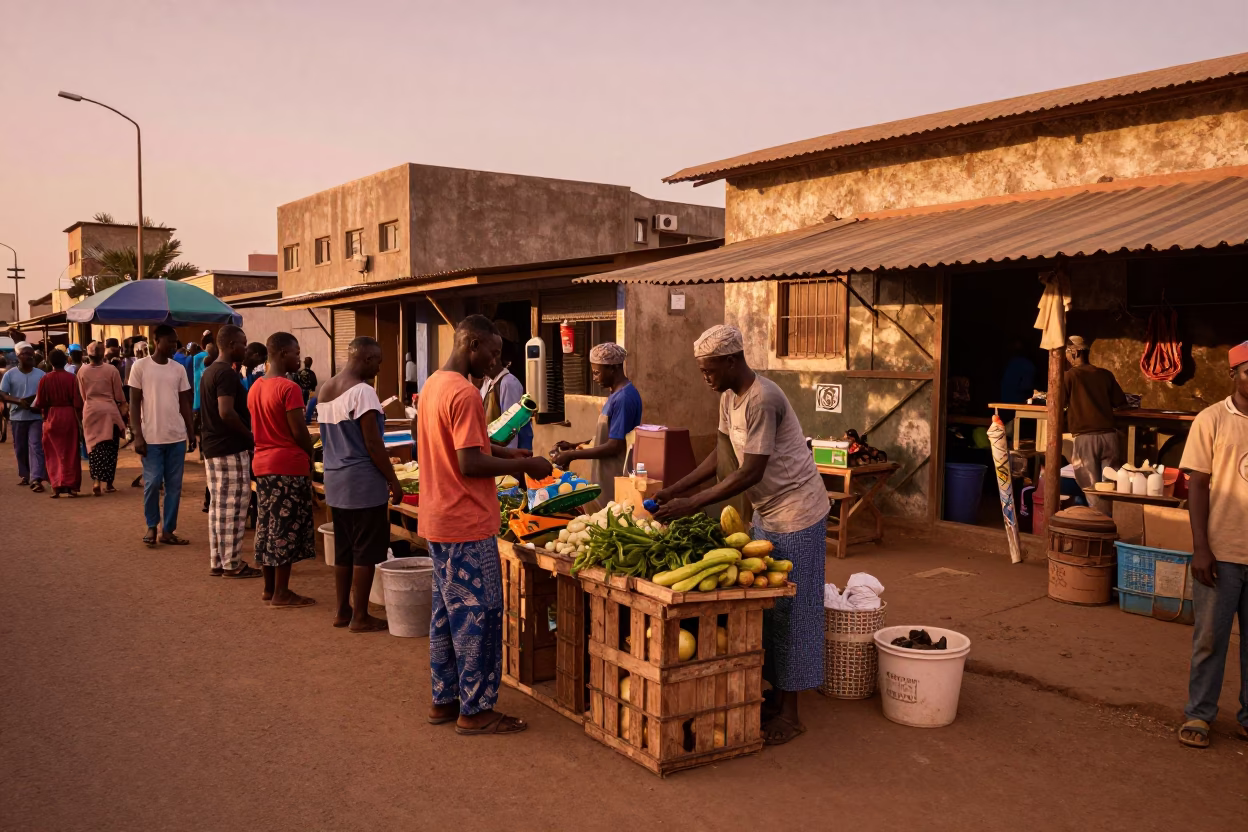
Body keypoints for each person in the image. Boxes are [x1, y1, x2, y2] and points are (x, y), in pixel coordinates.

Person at [653, 325, 830, 746]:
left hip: (799, 511)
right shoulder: (729, 398)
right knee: (764, 609)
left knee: (795, 609)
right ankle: (772, 695)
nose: (705, 378)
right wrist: (676, 489)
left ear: (732, 362)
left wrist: (693, 505)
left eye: (709, 369)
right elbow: (722, 456)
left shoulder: (763, 399)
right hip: (768, 513)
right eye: (701, 370)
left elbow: (749, 471)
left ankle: (791, 712)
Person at [420, 316, 553, 735]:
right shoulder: (464, 392)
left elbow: (468, 443)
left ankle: (445, 700)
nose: (495, 362)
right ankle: (475, 710)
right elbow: (469, 461)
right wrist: (528, 463)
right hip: (467, 522)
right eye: (492, 353)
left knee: (446, 612)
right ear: (472, 344)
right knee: (480, 614)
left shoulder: (434, 384)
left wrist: (510, 455)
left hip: (437, 517)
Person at [1176, 340, 1248, 749]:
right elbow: (1197, 485)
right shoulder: (1212, 420)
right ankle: (1199, 714)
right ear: (1233, 375)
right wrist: (1201, 547)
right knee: (1209, 640)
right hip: (1221, 554)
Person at [317, 336, 404, 633]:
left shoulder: (326, 388)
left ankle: (343, 611)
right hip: (363, 484)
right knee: (365, 551)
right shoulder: (364, 391)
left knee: (344, 549)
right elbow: (371, 442)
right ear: (366, 359)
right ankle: (361, 616)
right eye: (378, 362)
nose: (379, 368)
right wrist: (393, 480)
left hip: (336, 480)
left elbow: (342, 437)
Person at [249, 332, 317, 608]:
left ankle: (269, 588)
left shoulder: (256, 387)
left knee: (267, 525)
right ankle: (282, 592)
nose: (299, 358)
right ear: (280, 354)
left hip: (263, 463)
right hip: (286, 465)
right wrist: (310, 451)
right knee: (285, 529)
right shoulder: (288, 389)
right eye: (295, 352)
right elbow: (298, 431)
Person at [200, 324, 261, 579]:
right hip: (228, 448)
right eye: (243, 344)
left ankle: (218, 560)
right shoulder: (226, 373)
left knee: (219, 507)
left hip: (214, 447)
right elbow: (226, 412)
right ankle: (232, 563)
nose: (245, 349)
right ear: (232, 345)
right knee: (234, 507)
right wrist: (251, 438)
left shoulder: (210, 371)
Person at [551, 343, 643, 509]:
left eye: (597, 372)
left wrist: (572, 455)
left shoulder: (623, 398)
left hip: (615, 474)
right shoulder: (615, 394)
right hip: (603, 472)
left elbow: (615, 445)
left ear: (613, 368)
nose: (594, 378)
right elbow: (608, 433)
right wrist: (576, 445)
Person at [130, 324, 196, 547]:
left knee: (174, 486)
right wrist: (137, 434)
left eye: (175, 342)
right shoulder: (140, 367)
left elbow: (185, 403)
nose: (174, 346)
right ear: (156, 341)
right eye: (170, 341)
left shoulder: (178, 369)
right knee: (152, 482)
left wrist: (191, 431)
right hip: (151, 438)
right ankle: (151, 525)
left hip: (176, 437)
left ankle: (168, 530)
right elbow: (134, 403)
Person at [1062, 335, 1128, 512]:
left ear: (1074, 352)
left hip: (1086, 439)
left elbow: (1057, 405)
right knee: (1109, 488)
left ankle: (1099, 526)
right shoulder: (1105, 374)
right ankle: (1109, 524)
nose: (1066, 357)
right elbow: (1121, 402)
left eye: (1067, 353)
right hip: (1110, 437)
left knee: (1091, 489)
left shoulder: (1069, 377)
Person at [78, 341, 128, 495]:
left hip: (91, 410)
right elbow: (119, 395)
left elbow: (83, 395)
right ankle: (109, 484)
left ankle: (96, 481)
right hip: (109, 411)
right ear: (102, 354)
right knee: (110, 448)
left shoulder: (82, 371)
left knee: (94, 448)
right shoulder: (111, 370)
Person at [33, 349, 83, 497]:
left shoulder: (45, 379)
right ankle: (71, 486)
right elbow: (77, 402)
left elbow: (40, 402)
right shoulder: (72, 378)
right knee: (71, 451)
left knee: (52, 452)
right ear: (65, 361)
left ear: (50, 362)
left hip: (51, 416)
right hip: (68, 416)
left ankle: (56, 485)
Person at [0, 343, 47, 491]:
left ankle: (36, 479)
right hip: (17, 417)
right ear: (19, 356)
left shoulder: (41, 374)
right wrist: (18, 401)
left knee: (36, 446)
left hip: (35, 417)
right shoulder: (10, 374)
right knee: (20, 449)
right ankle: (25, 475)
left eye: (31, 353)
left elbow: (46, 393)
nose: (30, 356)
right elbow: (2, 394)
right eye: (26, 353)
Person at [999, 339, 1036, 404]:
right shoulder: (1026, 365)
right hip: (1016, 401)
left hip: (1006, 400)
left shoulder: (1011, 363)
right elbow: (1026, 386)